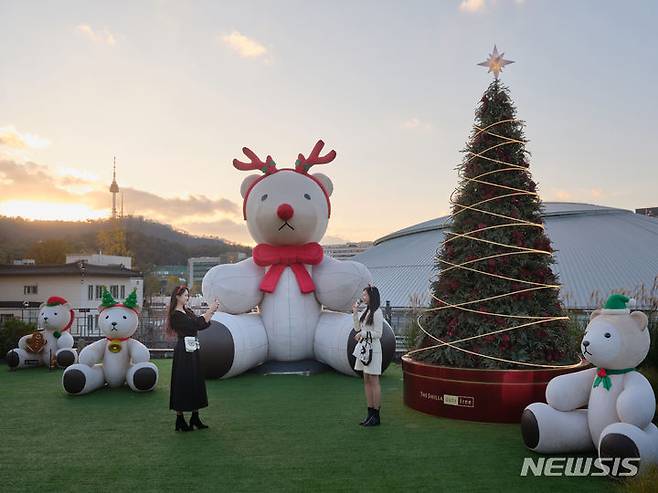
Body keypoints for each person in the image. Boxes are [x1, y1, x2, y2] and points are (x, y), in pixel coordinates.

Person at [167, 285, 219, 432]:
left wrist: (211, 311)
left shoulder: (187, 311)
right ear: (177, 296)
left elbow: (200, 325)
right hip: (184, 350)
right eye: (185, 295)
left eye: (188, 296)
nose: (187, 298)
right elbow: (195, 325)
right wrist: (210, 310)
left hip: (193, 348)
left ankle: (195, 417)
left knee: (195, 380)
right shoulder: (175, 315)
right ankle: (180, 419)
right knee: (183, 381)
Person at [352, 285, 383, 427]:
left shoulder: (377, 312)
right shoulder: (366, 310)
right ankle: (370, 414)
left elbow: (378, 333)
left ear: (372, 296)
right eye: (363, 295)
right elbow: (357, 328)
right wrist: (355, 312)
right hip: (364, 349)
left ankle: (376, 415)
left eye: (365, 295)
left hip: (373, 350)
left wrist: (363, 334)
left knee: (374, 381)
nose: (363, 297)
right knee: (366, 380)